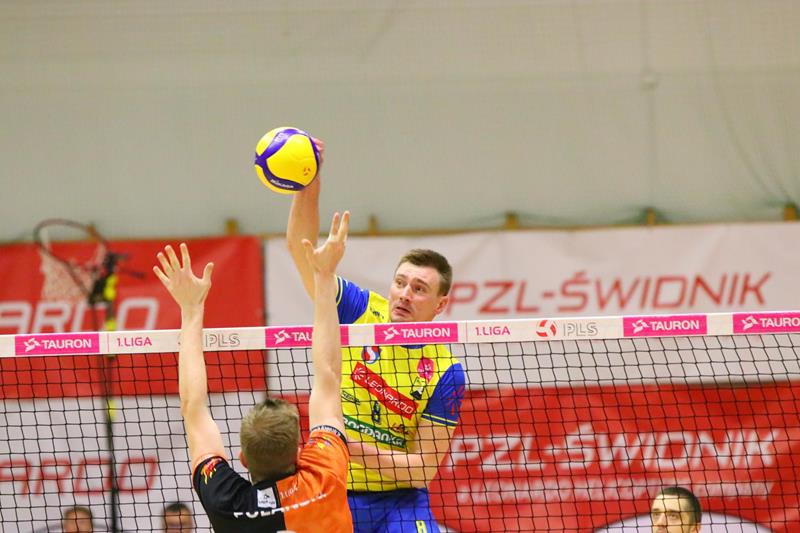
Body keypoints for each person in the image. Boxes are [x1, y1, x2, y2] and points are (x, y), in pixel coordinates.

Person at [286, 140, 466, 532]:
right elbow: (303, 254)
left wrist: (346, 446)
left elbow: (422, 469)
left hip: (398, 500)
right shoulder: (359, 310)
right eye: (400, 283)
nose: (405, 294)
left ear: (440, 304)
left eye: (419, 288)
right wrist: (308, 184)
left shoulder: (446, 371)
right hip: (333, 491)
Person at [153, 212, 353, 533]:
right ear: (299, 453)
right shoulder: (324, 480)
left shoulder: (224, 502)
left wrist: (191, 310)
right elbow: (328, 375)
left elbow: (193, 408)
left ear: (243, 458)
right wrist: (324, 276)